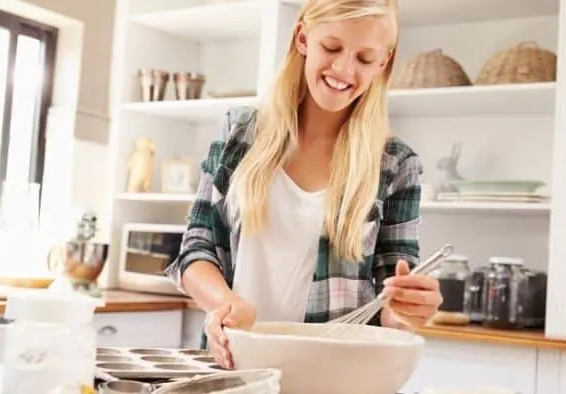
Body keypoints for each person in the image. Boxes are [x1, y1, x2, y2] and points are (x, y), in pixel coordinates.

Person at [165, 0, 443, 369]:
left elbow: (391, 297)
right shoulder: (240, 133)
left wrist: (407, 310)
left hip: (334, 374)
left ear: (383, 64)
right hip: (233, 365)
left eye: (364, 58)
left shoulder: (396, 164)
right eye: (332, 47)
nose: (344, 69)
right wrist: (224, 303)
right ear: (302, 38)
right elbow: (194, 252)